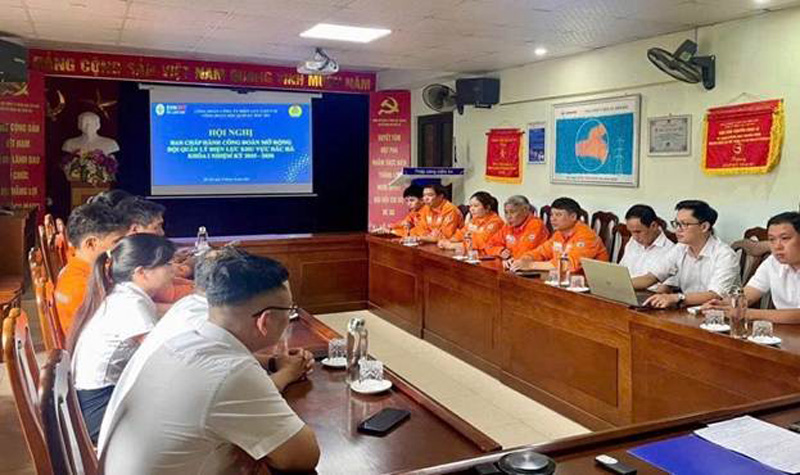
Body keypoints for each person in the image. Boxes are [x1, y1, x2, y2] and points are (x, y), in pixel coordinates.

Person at [97, 251, 320, 474]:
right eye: (288, 310)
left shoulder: (182, 340)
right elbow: (303, 456)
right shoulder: (232, 372)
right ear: (265, 321)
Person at [68, 234, 176, 443]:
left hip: (96, 400)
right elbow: (167, 357)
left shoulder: (126, 295)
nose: (173, 269)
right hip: (99, 411)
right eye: (167, 264)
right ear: (141, 272)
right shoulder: (130, 305)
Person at [631, 200, 740, 308]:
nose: (677, 230)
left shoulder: (725, 255)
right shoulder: (680, 248)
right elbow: (651, 277)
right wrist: (619, 285)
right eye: (676, 224)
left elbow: (715, 295)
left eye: (684, 224)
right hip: (688, 309)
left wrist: (677, 298)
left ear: (704, 227)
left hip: (718, 314)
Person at [704, 212, 800, 323]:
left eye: (785, 238)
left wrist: (747, 313)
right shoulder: (772, 262)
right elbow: (747, 295)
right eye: (772, 239)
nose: (777, 246)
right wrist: (720, 305)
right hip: (785, 331)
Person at [54, 202, 128, 333]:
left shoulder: (83, 269)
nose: (123, 248)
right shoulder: (81, 286)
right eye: (117, 242)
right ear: (91, 244)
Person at [117, 196, 194, 303]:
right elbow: (171, 293)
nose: (162, 233)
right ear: (135, 229)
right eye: (156, 227)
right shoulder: (129, 258)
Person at [511, 197, 608, 272]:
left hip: (590, 285)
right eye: (552, 215)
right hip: (564, 281)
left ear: (573, 217)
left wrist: (530, 265)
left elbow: (569, 265)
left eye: (558, 215)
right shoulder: (559, 234)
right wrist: (525, 259)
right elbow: (541, 252)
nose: (553, 219)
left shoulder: (586, 236)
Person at [619, 204, 675, 290]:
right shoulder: (633, 242)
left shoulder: (670, 251)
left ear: (653, 226)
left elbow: (662, 288)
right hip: (625, 290)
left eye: (638, 232)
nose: (634, 237)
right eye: (631, 232)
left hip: (647, 296)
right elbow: (621, 270)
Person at [484, 195, 548, 259]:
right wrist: (500, 251)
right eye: (506, 212)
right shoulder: (508, 226)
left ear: (525, 210)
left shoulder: (536, 225)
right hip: (512, 265)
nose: (508, 217)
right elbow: (489, 246)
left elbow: (524, 252)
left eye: (512, 212)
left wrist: (509, 256)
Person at [439, 191, 504, 252]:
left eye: (475, 206)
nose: (471, 209)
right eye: (470, 206)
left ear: (487, 208)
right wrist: (448, 240)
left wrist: (453, 246)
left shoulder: (496, 222)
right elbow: (462, 233)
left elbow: (481, 243)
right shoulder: (475, 219)